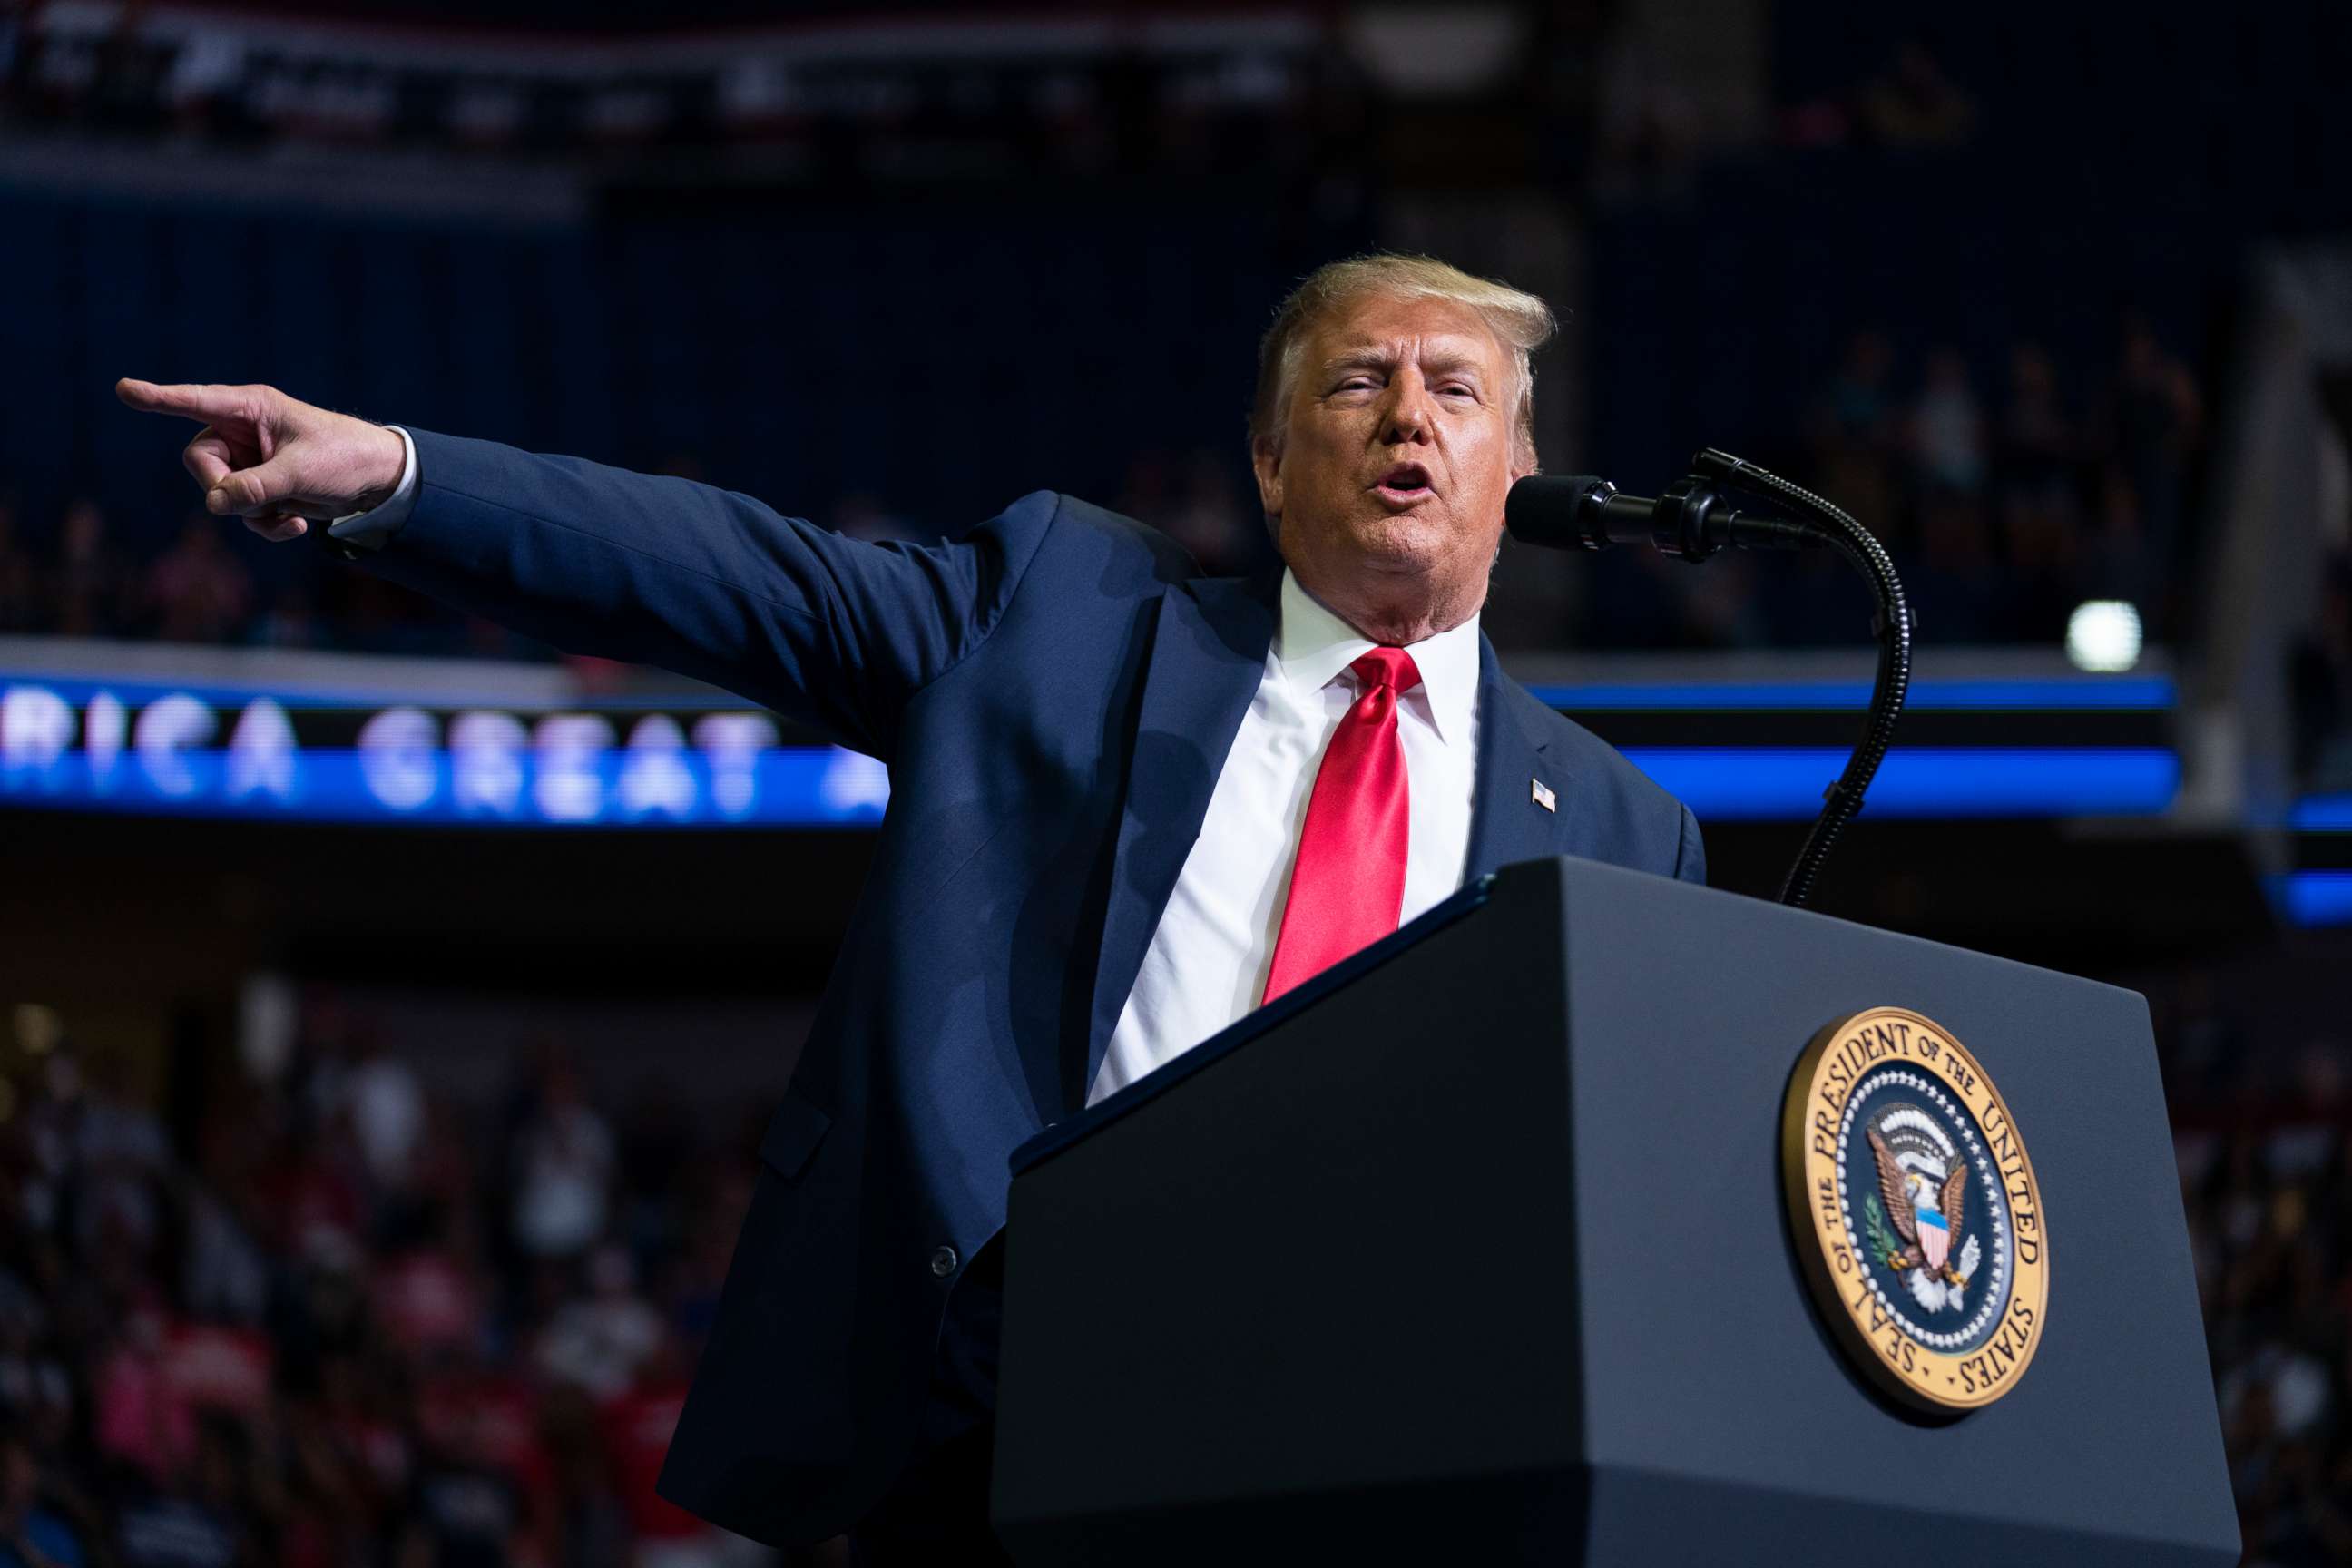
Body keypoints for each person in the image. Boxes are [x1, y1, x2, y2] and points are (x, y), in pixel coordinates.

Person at [117, 252, 1704, 1559]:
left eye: (1456, 392)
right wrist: (397, 476)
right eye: (1357, 383)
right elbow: (743, 572)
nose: (1406, 418)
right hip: (1020, 1426)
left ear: (1520, 469)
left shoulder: (1632, 833)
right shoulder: (1063, 613)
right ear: (1273, 463)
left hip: (1399, 1464)